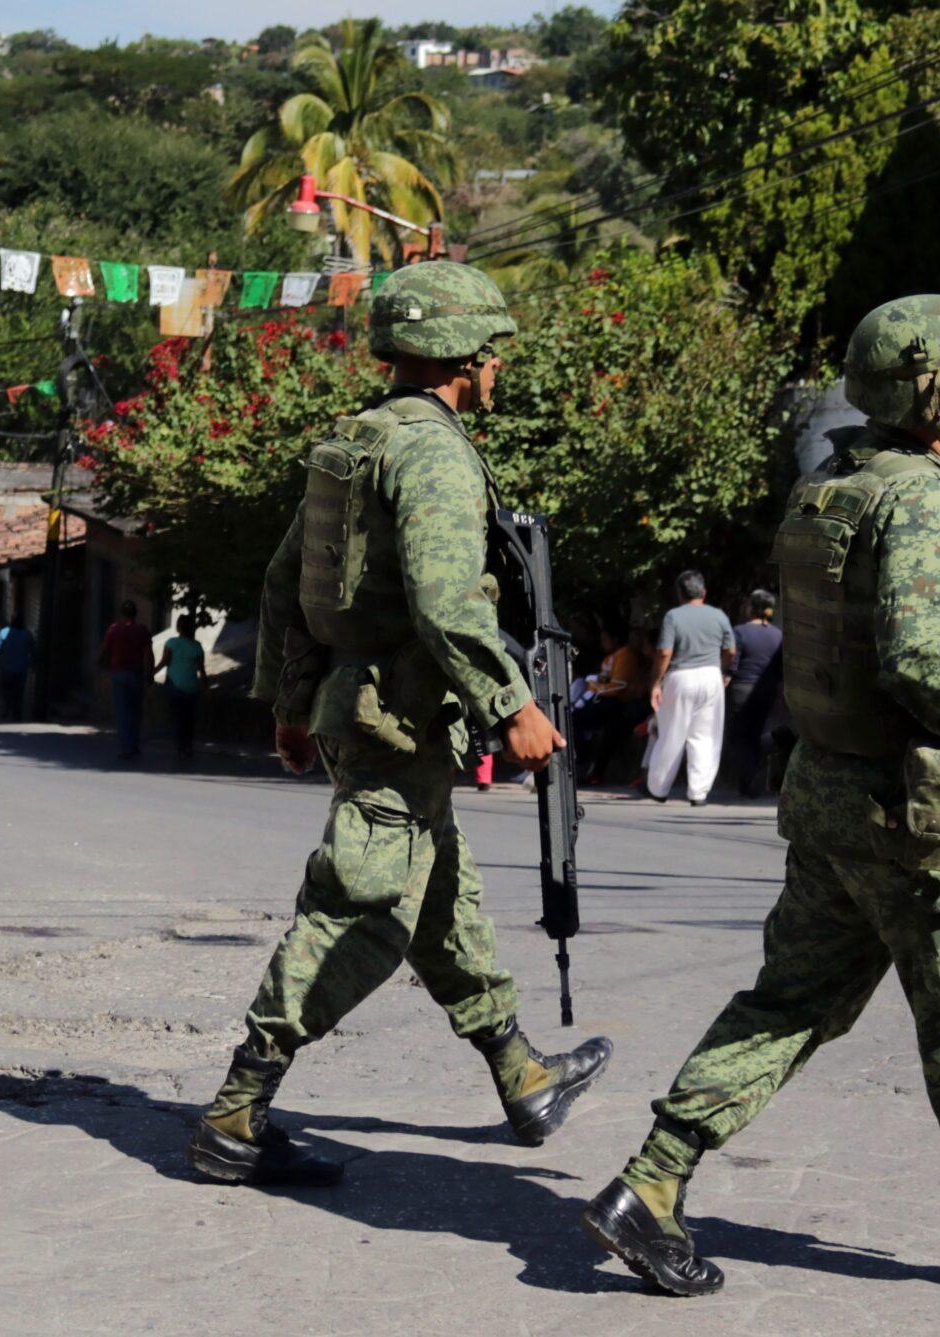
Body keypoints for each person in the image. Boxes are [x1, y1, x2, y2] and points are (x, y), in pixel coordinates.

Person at [585, 295, 940, 1299]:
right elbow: (921, 658)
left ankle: (650, 1181)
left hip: (832, 798)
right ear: (932, 395)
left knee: (789, 1001)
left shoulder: (828, 488)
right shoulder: (926, 503)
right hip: (920, 818)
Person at [189, 262, 608, 1188]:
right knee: (360, 910)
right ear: (462, 356)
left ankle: (522, 1074)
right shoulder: (434, 455)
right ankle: (235, 1116)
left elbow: (286, 580)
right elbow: (447, 602)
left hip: (365, 710)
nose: (497, 367)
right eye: (491, 351)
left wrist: (291, 705)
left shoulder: (355, 440)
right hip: (399, 719)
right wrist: (515, 705)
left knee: (443, 899)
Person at [643, 570, 735, 806]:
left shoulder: (673, 616)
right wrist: (721, 669)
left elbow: (665, 652)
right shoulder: (719, 616)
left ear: (680, 593)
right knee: (706, 735)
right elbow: (730, 650)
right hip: (711, 675)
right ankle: (698, 792)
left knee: (671, 733)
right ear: (704, 592)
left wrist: (656, 683)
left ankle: (659, 789)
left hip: (680, 677)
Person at [723, 590, 784, 797]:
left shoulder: (740, 632)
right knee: (756, 734)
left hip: (742, 690)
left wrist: (725, 679)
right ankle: (753, 779)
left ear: (751, 608)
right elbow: (779, 669)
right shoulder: (777, 635)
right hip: (766, 692)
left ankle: (748, 781)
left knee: (740, 737)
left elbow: (733, 662)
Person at [572, 625, 651, 784]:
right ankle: (583, 762)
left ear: (615, 639)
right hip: (606, 698)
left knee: (582, 720)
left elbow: (618, 684)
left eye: (605, 639)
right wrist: (595, 681)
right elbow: (605, 679)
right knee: (575, 718)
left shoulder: (626, 654)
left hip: (619, 702)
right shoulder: (610, 658)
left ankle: (586, 764)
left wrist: (596, 685)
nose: (602, 643)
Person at [99, 600, 152, 760]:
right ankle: (134, 745)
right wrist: (150, 673)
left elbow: (105, 650)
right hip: (136, 674)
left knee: (122, 712)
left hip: (118, 674)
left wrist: (100, 664)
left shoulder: (114, 629)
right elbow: (148, 654)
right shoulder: (142, 630)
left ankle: (126, 747)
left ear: (121, 614)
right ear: (135, 614)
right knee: (135, 712)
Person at [156, 613, 207, 760]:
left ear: (178, 627)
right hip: (192, 687)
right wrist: (206, 686)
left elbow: (164, 662)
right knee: (189, 718)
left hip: (175, 686)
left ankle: (180, 746)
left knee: (177, 717)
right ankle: (187, 746)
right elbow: (202, 670)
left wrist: (151, 673)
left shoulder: (171, 643)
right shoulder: (197, 646)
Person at [0, 611, 37, 721]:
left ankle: (6, 708)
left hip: (7, 667)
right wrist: (33, 664)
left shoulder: (4, 632)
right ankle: (17, 713)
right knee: (19, 692)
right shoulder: (28, 634)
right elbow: (33, 651)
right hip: (21, 669)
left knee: (6, 690)